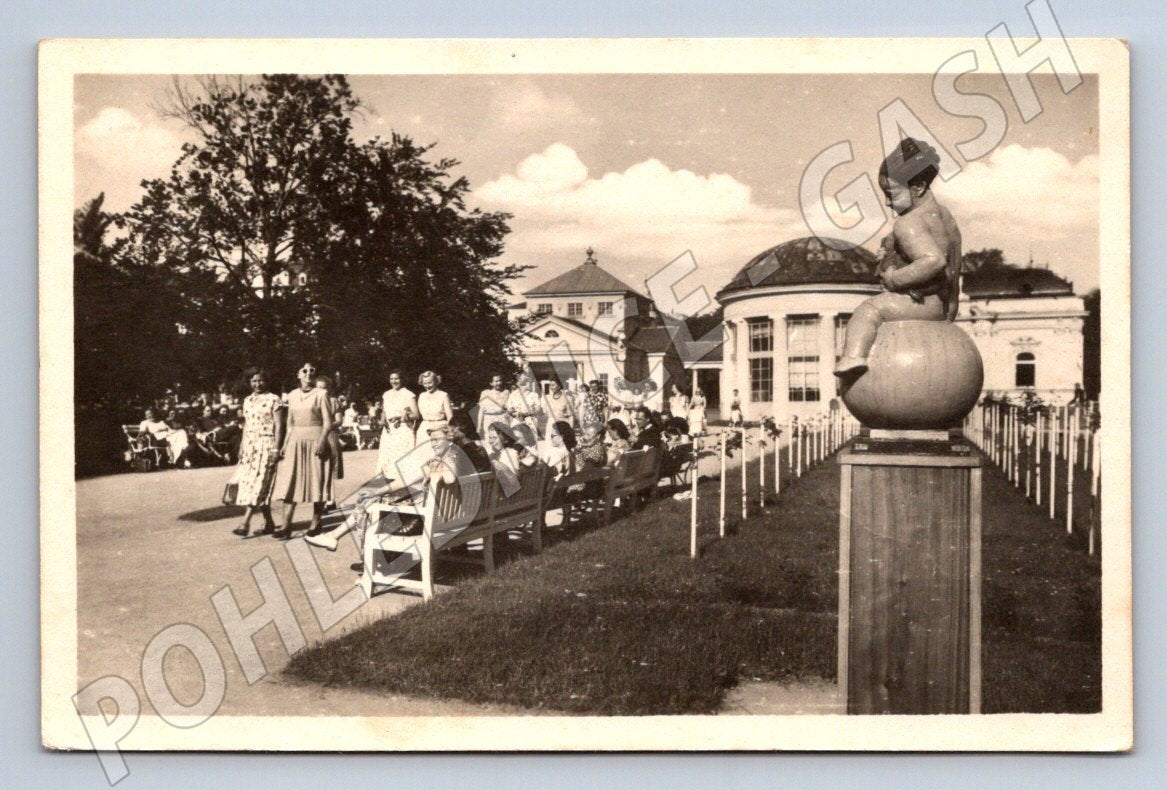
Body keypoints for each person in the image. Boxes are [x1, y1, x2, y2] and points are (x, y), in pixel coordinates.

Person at [835, 137, 961, 376]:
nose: (887, 201)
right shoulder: (946, 218)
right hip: (942, 307)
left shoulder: (907, 222)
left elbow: (934, 261)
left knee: (868, 310)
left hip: (922, 304)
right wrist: (950, 311)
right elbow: (954, 266)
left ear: (919, 187)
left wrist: (894, 279)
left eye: (891, 193)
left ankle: (853, 358)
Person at [272, 363, 334, 540]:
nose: (309, 374)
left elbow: (328, 423)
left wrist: (322, 442)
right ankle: (285, 525)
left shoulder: (321, 394)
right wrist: (284, 445)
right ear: (298, 374)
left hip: (316, 440)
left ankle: (316, 522)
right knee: (290, 481)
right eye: (304, 371)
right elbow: (289, 423)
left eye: (312, 370)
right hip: (295, 442)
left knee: (317, 480)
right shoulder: (291, 395)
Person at [230, 369, 284, 537]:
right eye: (254, 381)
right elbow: (247, 425)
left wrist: (276, 448)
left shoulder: (274, 399)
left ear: (266, 381)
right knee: (252, 484)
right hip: (250, 446)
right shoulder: (248, 400)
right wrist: (242, 446)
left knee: (260, 483)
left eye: (260, 380)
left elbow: (280, 426)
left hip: (267, 444)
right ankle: (269, 522)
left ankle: (244, 522)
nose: (257, 384)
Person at [378, 369, 418, 482]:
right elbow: (384, 411)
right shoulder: (386, 394)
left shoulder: (409, 394)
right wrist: (382, 420)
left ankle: (405, 488)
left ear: (402, 380)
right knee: (388, 459)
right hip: (389, 431)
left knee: (403, 458)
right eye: (391, 379)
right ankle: (391, 489)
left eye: (396, 378)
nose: (394, 381)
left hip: (403, 430)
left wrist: (400, 417)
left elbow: (416, 415)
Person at [315, 374, 345, 484]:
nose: (321, 390)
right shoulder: (312, 400)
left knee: (334, 447)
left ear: (329, 389)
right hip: (315, 430)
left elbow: (339, 420)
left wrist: (328, 425)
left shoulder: (333, 401)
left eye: (324, 388)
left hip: (329, 430)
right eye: (319, 387)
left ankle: (335, 473)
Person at [415, 371, 454, 446]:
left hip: (440, 427)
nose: (427, 386)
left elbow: (450, 417)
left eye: (430, 383)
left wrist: (449, 431)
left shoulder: (443, 395)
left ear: (436, 382)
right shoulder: (421, 396)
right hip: (424, 428)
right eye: (425, 383)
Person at [477, 374, 511, 439]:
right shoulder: (485, 393)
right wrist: (479, 426)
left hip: (502, 419)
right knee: (490, 439)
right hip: (489, 420)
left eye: (500, 381)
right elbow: (481, 410)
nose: (499, 383)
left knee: (503, 439)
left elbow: (508, 408)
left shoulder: (506, 392)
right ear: (491, 383)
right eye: (496, 381)